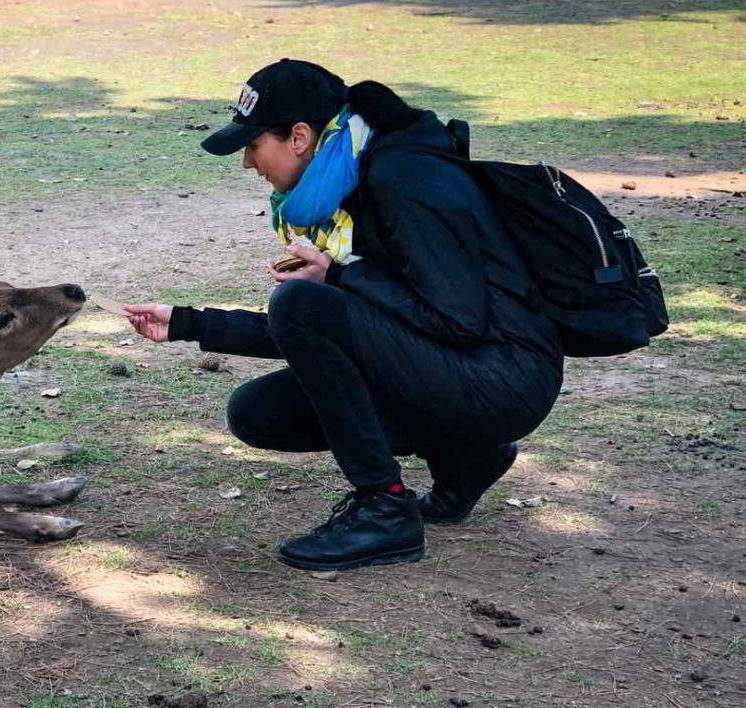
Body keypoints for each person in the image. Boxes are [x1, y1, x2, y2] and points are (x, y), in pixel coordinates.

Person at [125, 59, 563, 572]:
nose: (247, 162)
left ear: (300, 136)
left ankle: (385, 508)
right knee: (259, 413)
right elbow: (339, 329)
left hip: (504, 376)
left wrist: (338, 276)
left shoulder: (407, 179)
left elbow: (459, 319)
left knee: (300, 302)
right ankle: (467, 456)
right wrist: (186, 323)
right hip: (458, 367)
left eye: (253, 145)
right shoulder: (349, 182)